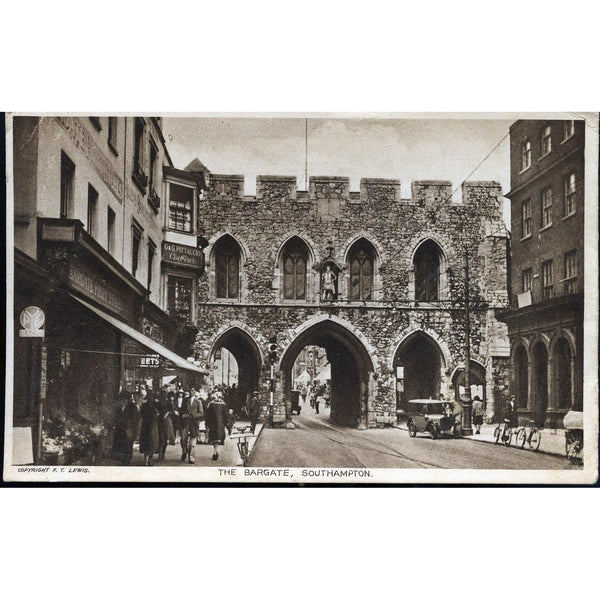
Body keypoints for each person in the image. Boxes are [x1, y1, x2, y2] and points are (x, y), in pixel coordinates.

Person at [113, 391, 139, 465]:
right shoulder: (119, 406)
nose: (121, 400)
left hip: (128, 429)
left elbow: (135, 419)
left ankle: (127, 460)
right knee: (121, 444)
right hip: (120, 428)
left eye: (123, 399)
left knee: (128, 445)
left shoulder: (132, 407)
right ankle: (122, 460)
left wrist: (131, 427)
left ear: (127, 399)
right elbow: (116, 416)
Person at [205, 391, 229, 461]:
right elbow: (208, 415)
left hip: (219, 423)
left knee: (217, 438)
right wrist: (207, 423)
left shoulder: (222, 404)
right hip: (214, 423)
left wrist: (226, 423)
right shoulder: (211, 404)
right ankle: (215, 450)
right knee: (214, 438)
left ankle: (215, 451)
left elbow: (225, 415)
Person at [181, 391, 204, 464]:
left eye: (193, 390)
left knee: (193, 440)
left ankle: (191, 457)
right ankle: (184, 451)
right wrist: (183, 415)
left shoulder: (198, 402)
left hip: (194, 423)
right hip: (185, 422)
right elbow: (181, 410)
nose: (192, 391)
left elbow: (201, 413)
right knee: (183, 439)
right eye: (191, 390)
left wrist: (194, 415)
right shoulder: (185, 400)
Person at [139, 387, 159, 466]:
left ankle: (146, 461)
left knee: (146, 444)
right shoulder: (153, 406)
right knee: (151, 443)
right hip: (152, 426)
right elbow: (156, 415)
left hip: (145, 426)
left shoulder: (143, 405)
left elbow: (141, 414)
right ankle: (149, 461)